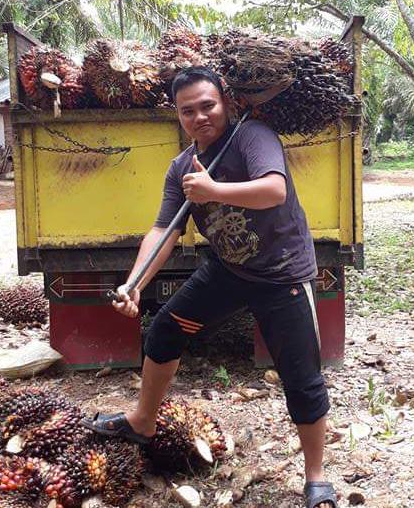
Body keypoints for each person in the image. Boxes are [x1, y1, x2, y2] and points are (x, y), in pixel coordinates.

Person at [81, 67, 337, 508]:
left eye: (208, 106)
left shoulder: (251, 136)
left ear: (226, 102)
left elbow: (274, 190)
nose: (200, 117)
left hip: (283, 275)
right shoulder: (180, 168)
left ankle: (316, 478)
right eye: (188, 111)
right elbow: (163, 229)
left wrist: (214, 189)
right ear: (177, 116)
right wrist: (135, 281)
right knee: (163, 330)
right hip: (229, 271)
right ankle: (143, 421)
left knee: (301, 378)